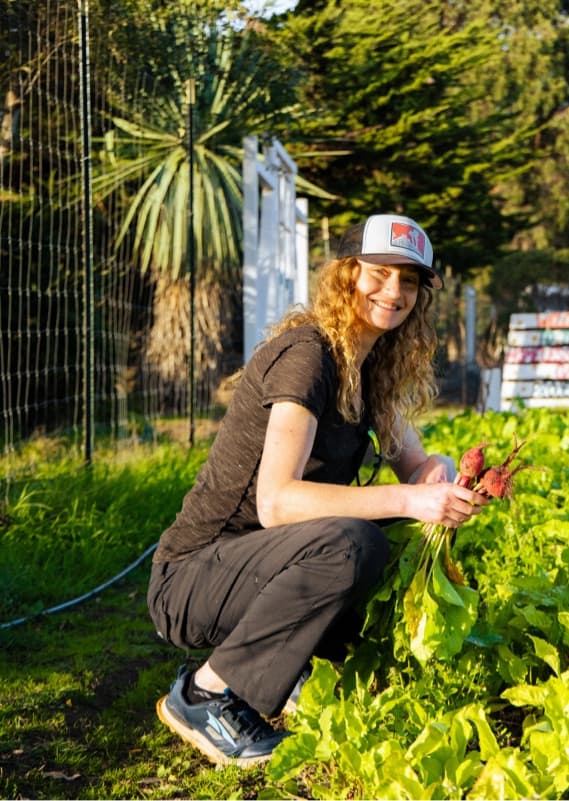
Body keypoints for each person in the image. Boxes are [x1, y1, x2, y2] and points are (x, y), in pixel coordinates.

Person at [146, 213, 488, 767]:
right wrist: (406, 499)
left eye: (409, 281)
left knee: (391, 534)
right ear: (347, 274)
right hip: (194, 576)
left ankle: (311, 675)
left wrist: (437, 477)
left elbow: (416, 463)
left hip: (257, 566)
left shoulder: (370, 367)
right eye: (379, 273)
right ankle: (206, 695)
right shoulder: (309, 356)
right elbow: (276, 502)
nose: (393, 291)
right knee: (353, 544)